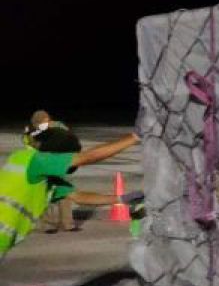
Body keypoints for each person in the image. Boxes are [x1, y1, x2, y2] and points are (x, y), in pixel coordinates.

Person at [1, 131, 140, 260]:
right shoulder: (35, 160)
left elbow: (79, 197)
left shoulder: (45, 178)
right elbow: (89, 157)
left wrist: (121, 199)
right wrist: (134, 137)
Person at [23, 111, 81, 232]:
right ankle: (52, 225)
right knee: (46, 193)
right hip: (46, 163)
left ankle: (66, 224)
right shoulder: (32, 131)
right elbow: (30, 145)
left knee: (62, 192)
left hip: (57, 162)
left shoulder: (58, 127)